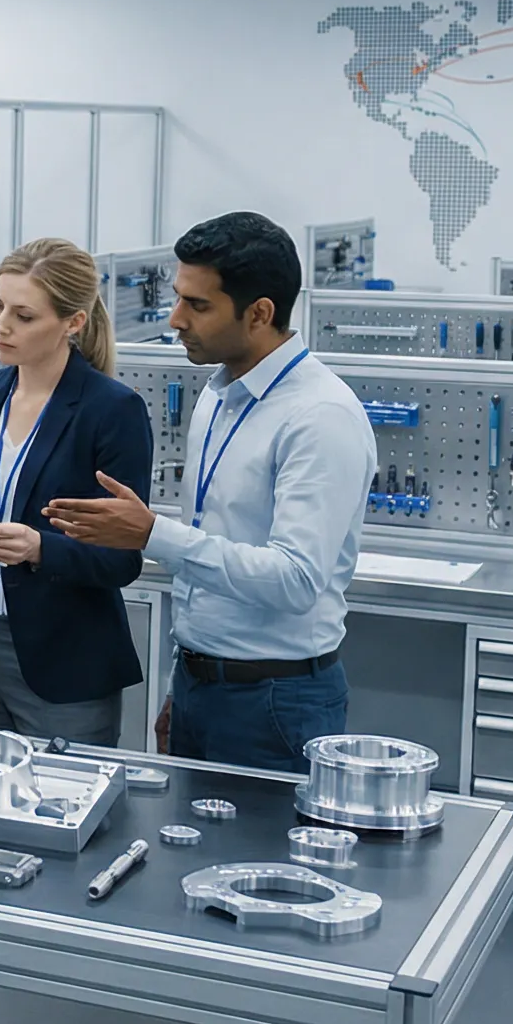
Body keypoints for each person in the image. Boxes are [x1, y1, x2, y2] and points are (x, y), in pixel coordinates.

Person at [47, 211, 375, 772]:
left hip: (275, 700)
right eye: (178, 298)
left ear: (260, 313)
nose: (175, 319)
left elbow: (296, 580)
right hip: (203, 684)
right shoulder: (219, 395)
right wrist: (184, 681)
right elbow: (215, 551)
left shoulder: (319, 417)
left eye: (197, 305)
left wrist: (152, 533)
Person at [0, 239, 152, 747]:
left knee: (64, 791)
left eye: (23, 316)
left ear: (73, 322)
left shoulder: (112, 410)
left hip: (62, 658)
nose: (1, 326)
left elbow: (123, 559)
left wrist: (41, 548)